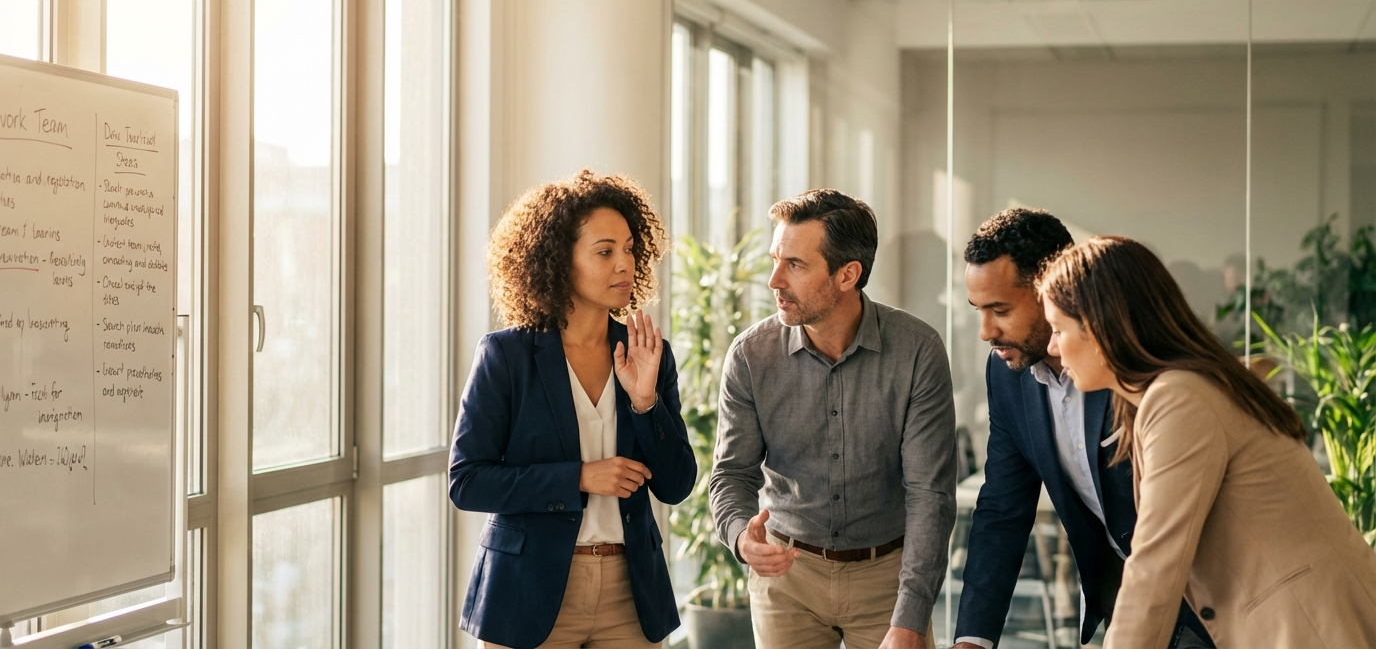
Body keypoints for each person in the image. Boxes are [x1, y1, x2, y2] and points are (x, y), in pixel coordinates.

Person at [1039, 236, 1376, 649]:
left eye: (1058, 329)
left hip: (1310, 627)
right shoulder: (1172, 392)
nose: (1052, 347)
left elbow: (1155, 568)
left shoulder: (1180, 398)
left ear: (1099, 328)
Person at [448, 170, 696, 649]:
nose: (624, 263)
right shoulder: (507, 356)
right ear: (559, 260)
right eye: (605, 252)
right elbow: (467, 481)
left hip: (631, 592)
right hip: (527, 592)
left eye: (629, 249)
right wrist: (579, 477)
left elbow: (677, 485)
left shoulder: (648, 353)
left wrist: (646, 404)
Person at [953, 210, 1212, 649]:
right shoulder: (1006, 373)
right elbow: (1002, 509)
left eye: (1000, 310)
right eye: (978, 310)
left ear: (1054, 289)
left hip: (1210, 591)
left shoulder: (1142, 365)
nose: (985, 332)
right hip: (1127, 597)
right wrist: (972, 640)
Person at [710, 189, 956, 649]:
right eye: (775, 260)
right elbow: (731, 474)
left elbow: (930, 495)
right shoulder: (749, 356)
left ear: (848, 274)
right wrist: (741, 537)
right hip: (786, 580)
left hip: (889, 580)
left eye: (795, 265)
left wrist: (911, 616)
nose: (774, 280)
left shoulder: (917, 351)